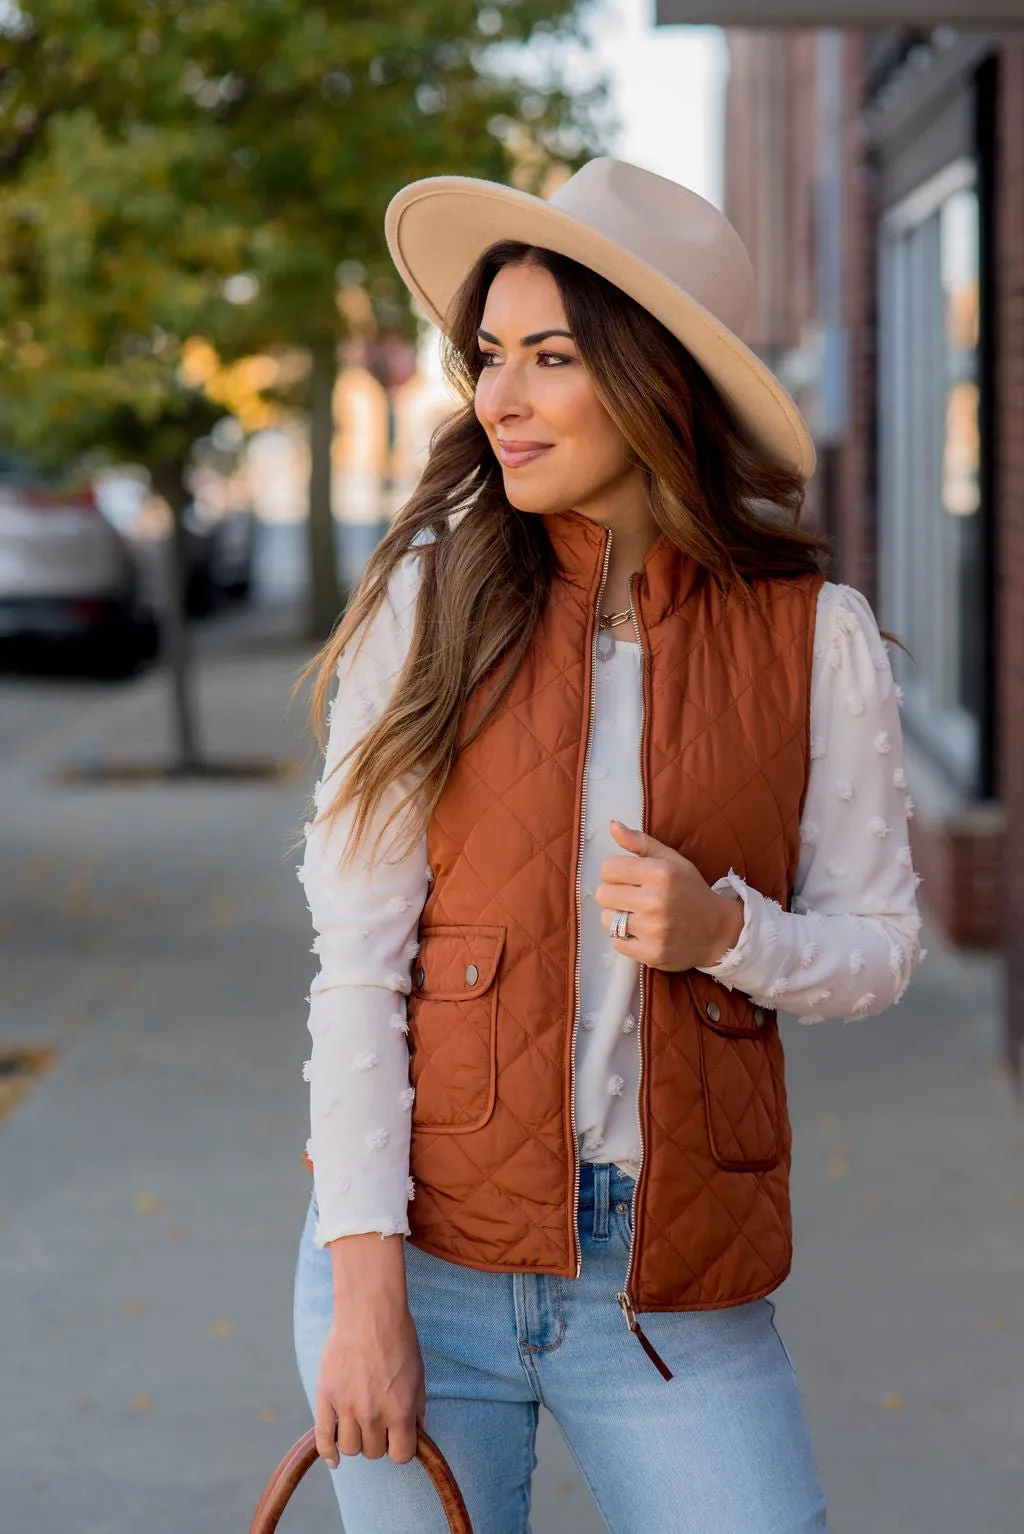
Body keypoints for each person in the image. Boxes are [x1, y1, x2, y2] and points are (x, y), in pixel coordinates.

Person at [290, 157, 922, 1533]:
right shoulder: (430, 603)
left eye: (551, 357)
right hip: (424, 1258)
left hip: (669, 1283)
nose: (498, 401)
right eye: (489, 357)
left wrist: (726, 933)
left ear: (657, 380)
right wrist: (364, 1295)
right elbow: (356, 967)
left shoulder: (817, 639)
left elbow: (879, 949)